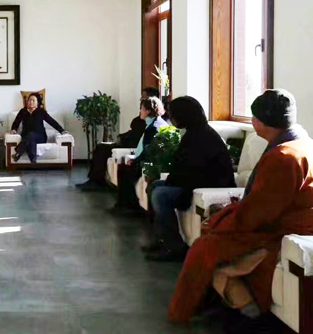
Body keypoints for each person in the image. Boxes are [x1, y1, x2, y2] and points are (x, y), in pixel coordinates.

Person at [168, 90, 313, 326]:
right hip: (286, 221)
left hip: (279, 231)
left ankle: (185, 312)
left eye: (254, 117)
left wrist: (224, 219)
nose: (252, 121)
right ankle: (218, 303)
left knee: (204, 247)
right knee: (212, 229)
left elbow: (259, 214)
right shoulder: (303, 143)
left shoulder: (285, 156)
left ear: (262, 121)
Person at [143, 96, 235, 262]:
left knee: (160, 194)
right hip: (194, 181)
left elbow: (193, 170)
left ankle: (174, 247)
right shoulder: (194, 132)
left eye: (173, 114)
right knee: (154, 186)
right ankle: (162, 238)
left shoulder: (202, 137)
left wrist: (172, 181)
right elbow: (183, 167)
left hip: (208, 184)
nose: (171, 117)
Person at [77, 87, 160, 192]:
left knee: (102, 149)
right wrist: (122, 136)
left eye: (143, 96)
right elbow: (133, 131)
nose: (140, 99)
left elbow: (138, 137)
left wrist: (123, 139)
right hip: (128, 142)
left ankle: (97, 182)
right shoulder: (144, 119)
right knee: (101, 147)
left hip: (130, 145)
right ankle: (94, 180)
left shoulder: (151, 123)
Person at [108, 96, 168, 215]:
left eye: (142, 108)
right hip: (150, 159)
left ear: (148, 111)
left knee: (125, 170)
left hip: (151, 162)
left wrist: (136, 160)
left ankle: (128, 206)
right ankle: (125, 205)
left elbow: (148, 150)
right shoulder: (155, 123)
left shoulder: (153, 127)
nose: (140, 111)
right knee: (125, 168)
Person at [10, 93, 68, 163]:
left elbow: (51, 121)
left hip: (40, 136)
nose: (31, 102)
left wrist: (61, 130)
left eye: (33, 100)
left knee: (30, 136)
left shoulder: (41, 111)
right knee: (30, 140)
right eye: (29, 100)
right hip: (26, 136)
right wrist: (13, 129)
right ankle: (33, 161)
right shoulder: (23, 111)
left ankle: (18, 153)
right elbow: (16, 122)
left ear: (37, 103)